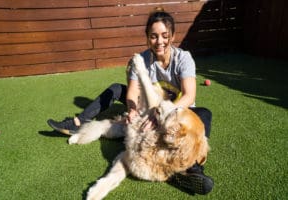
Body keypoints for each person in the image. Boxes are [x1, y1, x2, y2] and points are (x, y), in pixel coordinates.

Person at [48, 8, 213, 195]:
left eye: (164, 36)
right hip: (148, 104)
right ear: (147, 37)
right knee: (117, 88)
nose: (159, 41)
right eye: (154, 36)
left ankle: (191, 169)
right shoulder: (141, 58)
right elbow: (133, 92)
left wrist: (163, 113)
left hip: (176, 113)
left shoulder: (183, 58)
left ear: (172, 36)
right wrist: (132, 110)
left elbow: (189, 95)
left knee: (205, 113)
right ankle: (78, 122)